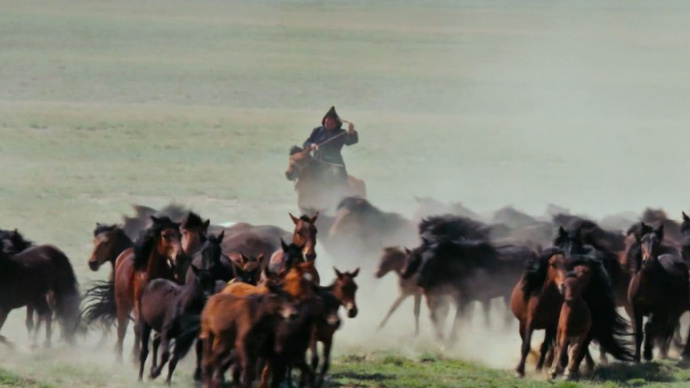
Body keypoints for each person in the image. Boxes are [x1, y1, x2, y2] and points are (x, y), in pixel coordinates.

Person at [303, 106, 358, 183]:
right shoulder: (317, 130)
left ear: (336, 124)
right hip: (316, 161)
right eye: (327, 122)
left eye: (331, 122)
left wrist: (351, 132)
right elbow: (306, 143)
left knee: (338, 177)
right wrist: (311, 145)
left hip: (333, 163)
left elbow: (350, 142)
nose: (328, 124)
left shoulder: (341, 133)